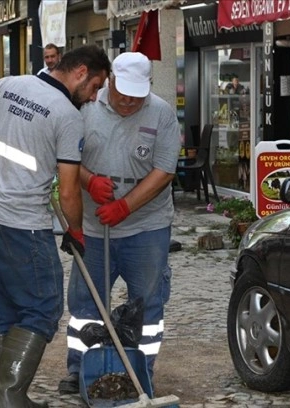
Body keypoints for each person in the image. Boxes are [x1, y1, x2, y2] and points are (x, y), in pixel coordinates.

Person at [0, 44, 111, 407]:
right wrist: (76, 230)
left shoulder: (9, 84)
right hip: (23, 223)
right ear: (81, 72)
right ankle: (8, 395)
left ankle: (8, 396)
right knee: (42, 307)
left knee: (2, 307)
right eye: (96, 86)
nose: (95, 95)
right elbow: (68, 191)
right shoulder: (68, 116)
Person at [58, 52, 181, 395]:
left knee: (148, 301)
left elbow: (164, 170)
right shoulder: (85, 107)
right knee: (86, 302)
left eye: (136, 95)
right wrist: (89, 181)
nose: (128, 101)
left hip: (147, 226)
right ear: (110, 80)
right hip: (95, 227)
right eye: (122, 92)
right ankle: (80, 369)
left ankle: (141, 368)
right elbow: (66, 158)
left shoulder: (162, 113)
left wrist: (126, 205)